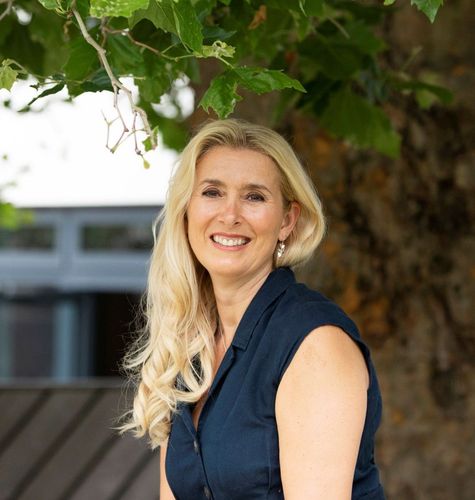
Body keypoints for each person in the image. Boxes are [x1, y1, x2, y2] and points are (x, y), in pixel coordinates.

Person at [118, 119, 386, 499]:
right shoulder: (189, 343)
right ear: (186, 210)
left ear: (287, 221)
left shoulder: (314, 346)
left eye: (255, 197)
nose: (230, 215)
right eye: (212, 192)